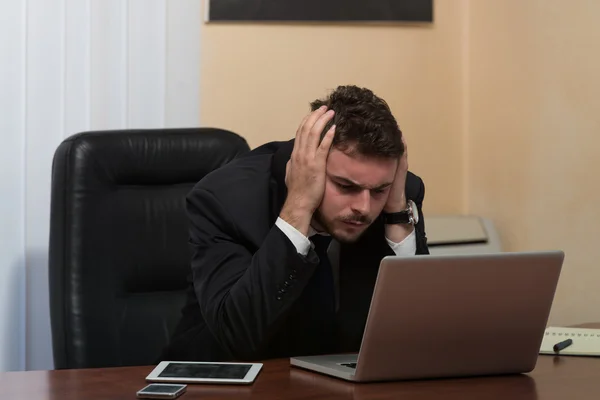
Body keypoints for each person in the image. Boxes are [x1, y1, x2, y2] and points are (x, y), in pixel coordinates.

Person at [162, 85, 429, 362]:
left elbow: (421, 331)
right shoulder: (224, 200)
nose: (363, 207)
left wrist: (397, 214)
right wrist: (299, 205)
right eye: (344, 186)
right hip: (228, 378)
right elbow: (238, 336)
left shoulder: (397, 196)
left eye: (378, 190)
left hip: (341, 380)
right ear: (309, 165)